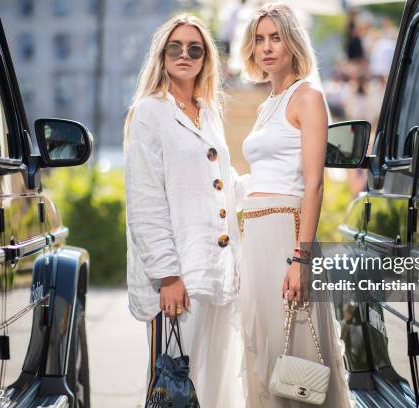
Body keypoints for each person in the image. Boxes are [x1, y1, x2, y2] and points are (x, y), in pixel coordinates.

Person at [123, 14, 247, 407]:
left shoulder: (208, 113)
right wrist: (167, 274)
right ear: (161, 55)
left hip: (215, 272)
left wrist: (275, 184)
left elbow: (223, 183)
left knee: (210, 387)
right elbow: (145, 200)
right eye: (175, 46)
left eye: (195, 48)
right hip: (178, 278)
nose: (185, 54)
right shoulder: (149, 112)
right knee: (173, 387)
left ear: (206, 59)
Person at [238, 3, 351, 407]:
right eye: (259, 39)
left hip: (288, 235)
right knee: (263, 348)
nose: (266, 47)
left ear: (292, 43)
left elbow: (315, 184)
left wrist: (300, 258)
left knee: (298, 349)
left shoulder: (308, 97)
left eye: (276, 37)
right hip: (254, 235)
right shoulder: (266, 104)